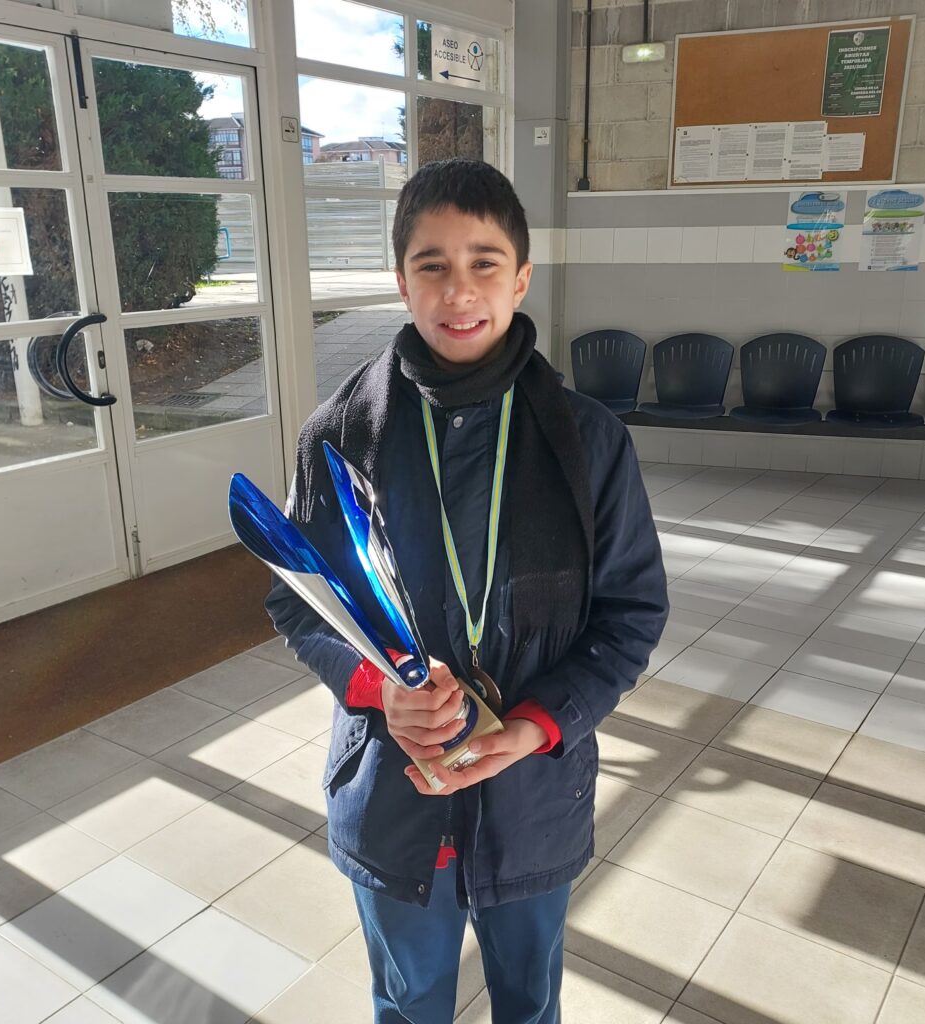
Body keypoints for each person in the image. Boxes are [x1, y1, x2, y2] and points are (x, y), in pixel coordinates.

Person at [266, 158, 667, 1024]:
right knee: (410, 1003)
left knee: (529, 1002)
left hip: (533, 799)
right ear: (400, 280)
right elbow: (299, 601)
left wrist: (536, 726)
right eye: (432, 265)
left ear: (521, 278)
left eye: (485, 263)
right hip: (395, 790)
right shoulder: (339, 436)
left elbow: (631, 613)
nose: (459, 291)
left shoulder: (589, 443)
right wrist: (377, 690)